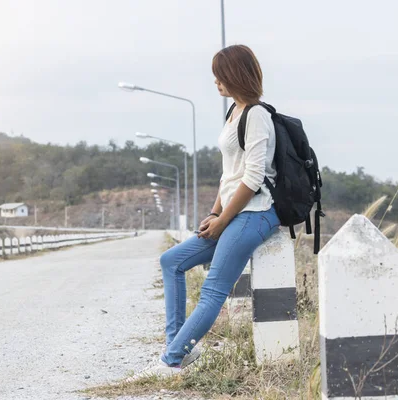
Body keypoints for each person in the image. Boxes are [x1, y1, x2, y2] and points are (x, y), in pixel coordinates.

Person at [130, 44, 280, 380]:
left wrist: (224, 221)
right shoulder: (234, 112)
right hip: (232, 213)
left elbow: (254, 179)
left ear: (235, 75)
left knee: (213, 289)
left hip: (256, 213)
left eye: (219, 76)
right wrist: (215, 213)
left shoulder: (257, 115)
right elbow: (230, 173)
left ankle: (170, 363)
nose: (215, 82)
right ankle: (182, 346)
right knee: (172, 261)